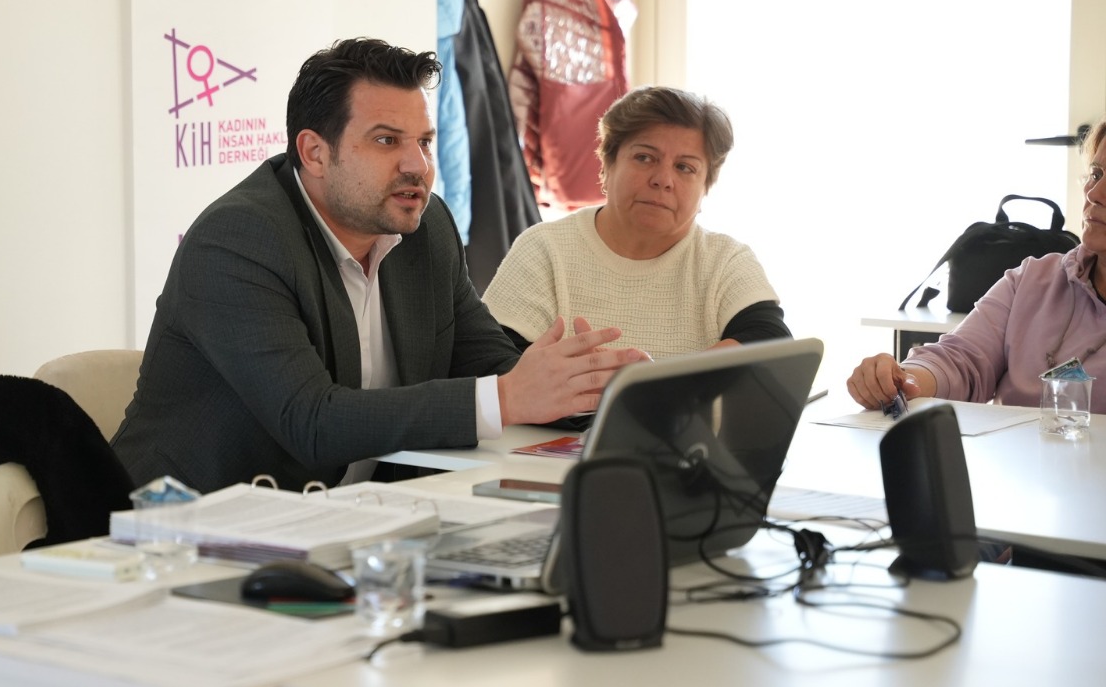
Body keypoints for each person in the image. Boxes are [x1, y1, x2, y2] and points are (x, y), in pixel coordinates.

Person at [112, 38, 648, 493]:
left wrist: (587, 388)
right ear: (314, 153)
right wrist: (507, 397)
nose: (418, 165)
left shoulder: (424, 226)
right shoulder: (238, 242)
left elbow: (487, 362)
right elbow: (312, 422)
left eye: (424, 142)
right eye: (387, 141)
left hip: (354, 521)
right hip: (180, 532)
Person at [483, 86, 789, 360]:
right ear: (607, 165)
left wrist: (648, 384)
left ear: (705, 186)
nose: (663, 180)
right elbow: (492, 361)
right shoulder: (543, 248)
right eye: (644, 158)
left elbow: (772, 347)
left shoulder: (726, 260)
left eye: (684, 167)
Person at [848, 116, 1106, 412]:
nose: (1094, 194)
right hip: (1013, 444)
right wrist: (903, 379)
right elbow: (962, 359)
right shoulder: (1033, 279)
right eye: (1096, 174)